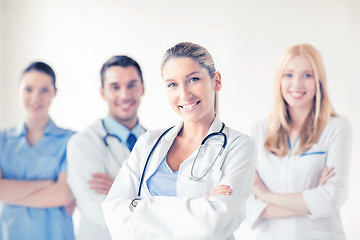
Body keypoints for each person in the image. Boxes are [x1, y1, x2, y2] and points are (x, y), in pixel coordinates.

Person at [102, 42, 256, 240]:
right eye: (172, 84)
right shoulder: (148, 142)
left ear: (216, 81)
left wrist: (137, 205)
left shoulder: (239, 146)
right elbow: (114, 212)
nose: (184, 94)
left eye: (193, 79)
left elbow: (214, 225)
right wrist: (200, 206)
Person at [246, 44, 352, 240]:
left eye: (307, 75)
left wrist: (266, 196)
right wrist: (311, 201)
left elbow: (331, 199)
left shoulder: (336, 128)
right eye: (288, 75)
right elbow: (247, 206)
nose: (296, 84)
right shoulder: (259, 130)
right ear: (279, 79)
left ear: (319, 80)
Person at [66, 55, 146, 240]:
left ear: (142, 88)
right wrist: (148, 199)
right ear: (103, 92)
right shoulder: (82, 144)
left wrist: (120, 192)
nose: (125, 95)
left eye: (132, 85)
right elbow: (100, 212)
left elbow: (174, 207)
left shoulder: (158, 143)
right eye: (115, 87)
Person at [0, 62, 75, 240]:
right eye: (28, 89)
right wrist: (47, 183)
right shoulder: (2, 140)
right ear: (18, 90)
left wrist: (9, 193)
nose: (36, 97)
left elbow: (64, 194)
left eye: (44, 90)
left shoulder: (70, 140)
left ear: (54, 93)